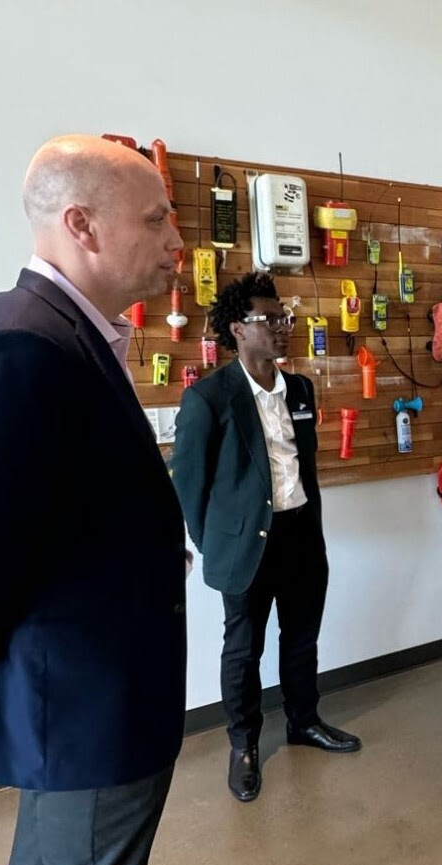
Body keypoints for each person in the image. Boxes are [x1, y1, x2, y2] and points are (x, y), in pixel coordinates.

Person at [0, 135, 188, 865]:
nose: (177, 241)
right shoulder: (18, 347)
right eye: (156, 220)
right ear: (82, 225)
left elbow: (54, 511)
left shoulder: (65, 337)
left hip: (94, 699)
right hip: (82, 708)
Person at [169, 272, 360, 804]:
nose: (283, 327)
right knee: (243, 649)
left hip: (300, 534)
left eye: (285, 318)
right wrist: (216, 543)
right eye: (270, 319)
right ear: (237, 328)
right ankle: (244, 745)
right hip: (245, 544)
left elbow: (305, 465)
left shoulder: (299, 388)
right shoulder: (208, 399)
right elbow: (187, 484)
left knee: (301, 641)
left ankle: (303, 721)